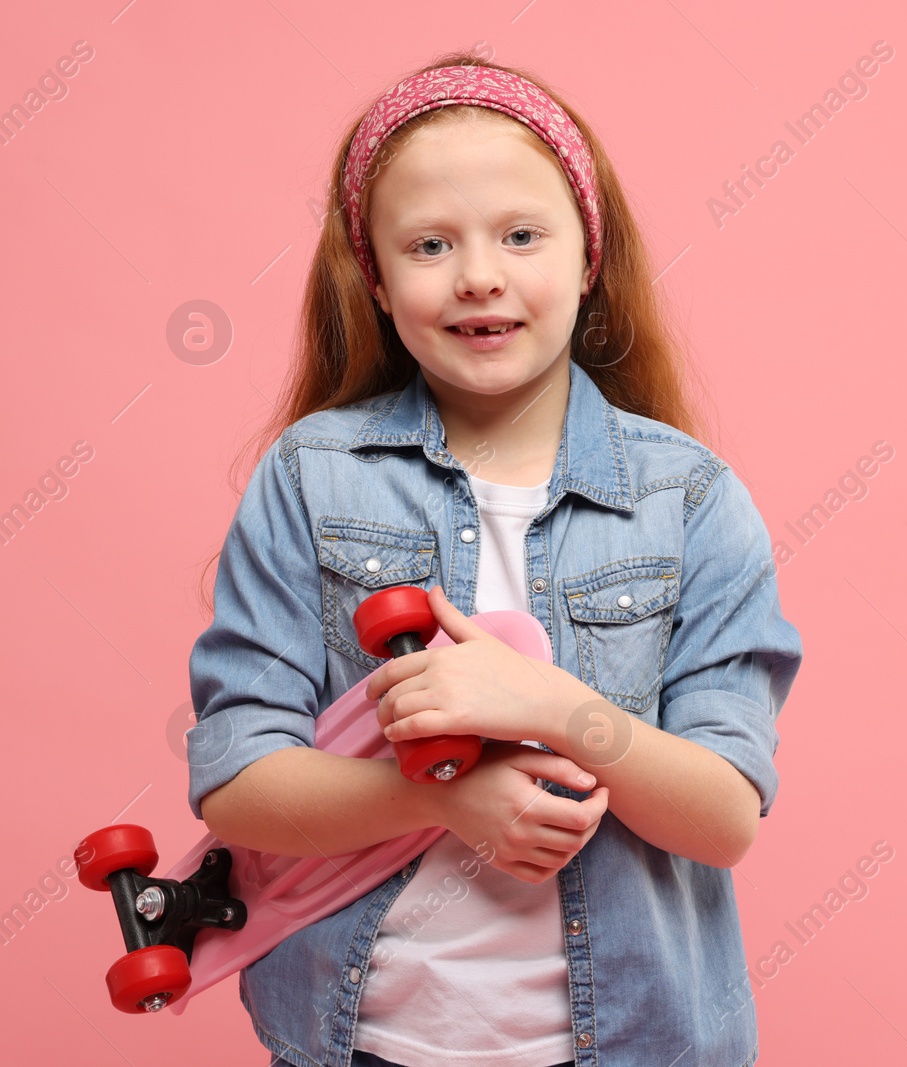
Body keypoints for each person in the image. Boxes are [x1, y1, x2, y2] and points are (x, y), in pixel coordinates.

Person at [187, 51, 803, 1067]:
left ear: (588, 255)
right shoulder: (311, 476)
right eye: (430, 243)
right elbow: (237, 781)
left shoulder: (690, 500)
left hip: (632, 1042)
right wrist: (434, 795)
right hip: (362, 1040)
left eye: (521, 234)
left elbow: (723, 814)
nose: (479, 272)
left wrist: (553, 707)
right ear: (376, 280)